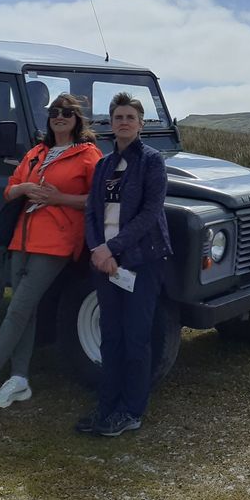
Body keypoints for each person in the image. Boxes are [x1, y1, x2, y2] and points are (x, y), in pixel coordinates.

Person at [0, 94, 101, 408]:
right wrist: (23, 189)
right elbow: (10, 189)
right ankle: (19, 378)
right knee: (26, 309)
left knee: (18, 307)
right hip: (21, 238)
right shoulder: (36, 152)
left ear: (77, 120)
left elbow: (96, 199)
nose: (59, 117)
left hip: (56, 242)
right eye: (54, 112)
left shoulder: (88, 155)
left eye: (66, 113)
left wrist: (60, 198)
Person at [76, 91, 172, 437]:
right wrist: (97, 250)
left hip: (141, 261)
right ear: (110, 123)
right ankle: (107, 406)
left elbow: (150, 213)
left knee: (136, 337)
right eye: (118, 117)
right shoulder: (103, 165)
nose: (124, 122)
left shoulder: (151, 161)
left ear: (141, 124)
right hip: (105, 262)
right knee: (111, 336)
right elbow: (91, 211)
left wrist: (112, 248)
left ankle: (131, 411)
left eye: (131, 117)